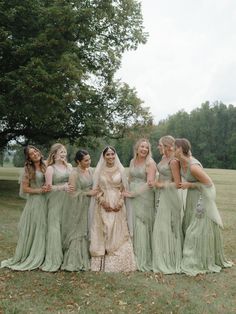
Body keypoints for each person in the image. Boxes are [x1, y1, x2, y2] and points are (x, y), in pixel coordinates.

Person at [175, 138, 233, 275]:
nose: (172, 149)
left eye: (174, 147)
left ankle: (198, 259)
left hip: (203, 196)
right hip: (192, 197)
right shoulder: (179, 163)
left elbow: (209, 184)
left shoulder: (193, 166)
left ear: (180, 149)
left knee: (196, 230)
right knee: (189, 225)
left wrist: (190, 185)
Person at [1, 145, 51, 271]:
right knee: (39, 227)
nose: (35, 154)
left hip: (49, 200)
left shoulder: (46, 165)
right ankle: (36, 255)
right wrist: (41, 190)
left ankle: (47, 254)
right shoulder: (28, 169)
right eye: (31, 153)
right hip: (37, 201)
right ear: (28, 157)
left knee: (49, 227)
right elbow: (25, 189)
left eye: (35, 151)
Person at [89, 146, 136, 272]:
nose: (110, 157)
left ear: (115, 155)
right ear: (103, 156)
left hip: (117, 203)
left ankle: (119, 261)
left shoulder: (121, 170)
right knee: (105, 229)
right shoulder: (99, 171)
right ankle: (102, 261)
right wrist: (102, 201)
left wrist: (120, 202)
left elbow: (123, 188)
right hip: (104, 203)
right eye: (108, 154)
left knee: (118, 230)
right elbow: (96, 189)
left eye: (112, 154)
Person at [150, 136, 183, 274]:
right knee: (161, 224)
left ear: (167, 145)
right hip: (160, 194)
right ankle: (161, 255)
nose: (158, 147)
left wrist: (159, 184)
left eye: (160, 145)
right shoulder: (163, 158)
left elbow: (177, 183)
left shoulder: (174, 161)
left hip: (169, 196)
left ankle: (169, 258)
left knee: (166, 225)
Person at [61, 149, 97, 271]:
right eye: (86, 160)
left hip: (91, 204)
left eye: (89, 159)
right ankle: (75, 259)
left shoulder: (91, 170)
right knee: (79, 231)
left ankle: (90, 255)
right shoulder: (74, 174)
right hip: (79, 205)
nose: (89, 162)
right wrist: (88, 193)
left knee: (89, 228)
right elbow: (72, 193)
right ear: (78, 161)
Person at [41, 143, 73, 272]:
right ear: (54, 154)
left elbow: (73, 180)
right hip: (55, 199)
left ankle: (67, 255)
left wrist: (68, 168)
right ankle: (54, 258)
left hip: (68, 199)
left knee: (66, 225)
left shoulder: (69, 166)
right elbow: (48, 188)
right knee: (55, 226)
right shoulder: (50, 169)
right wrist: (62, 187)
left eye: (64, 152)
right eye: (61, 152)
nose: (63, 154)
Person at [127, 138, 156, 271]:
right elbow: (130, 178)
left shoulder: (150, 163)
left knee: (141, 223)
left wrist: (133, 194)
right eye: (142, 147)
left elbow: (149, 184)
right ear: (137, 148)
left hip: (144, 196)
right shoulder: (132, 161)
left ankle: (142, 257)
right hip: (131, 194)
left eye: (146, 147)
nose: (144, 149)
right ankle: (131, 255)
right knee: (132, 222)